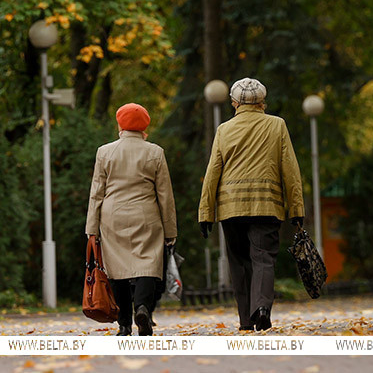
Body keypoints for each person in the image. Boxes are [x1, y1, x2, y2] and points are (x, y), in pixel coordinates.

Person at [198, 78, 305, 331]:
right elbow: (290, 169)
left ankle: (246, 319)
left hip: (231, 206)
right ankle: (263, 308)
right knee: (263, 259)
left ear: (234, 103)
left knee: (239, 263)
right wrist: (296, 208)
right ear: (262, 102)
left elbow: (213, 170)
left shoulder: (224, 129)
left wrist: (206, 212)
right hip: (266, 205)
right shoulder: (277, 125)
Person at [86, 103, 177, 336]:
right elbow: (164, 194)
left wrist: (92, 227)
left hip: (112, 216)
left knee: (117, 270)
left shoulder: (104, 152)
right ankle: (143, 308)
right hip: (146, 214)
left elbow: (97, 191)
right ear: (145, 125)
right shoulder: (155, 152)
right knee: (147, 264)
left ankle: (124, 323)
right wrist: (170, 231)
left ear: (120, 124)